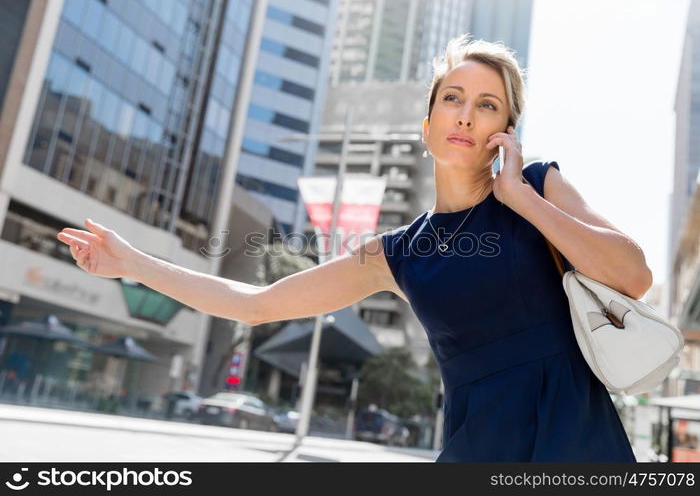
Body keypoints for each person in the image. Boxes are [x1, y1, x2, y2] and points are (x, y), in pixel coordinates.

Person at [55, 33, 652, 462]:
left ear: (504, 132)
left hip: (580, 442)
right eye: (453, 98)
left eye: (487, 104)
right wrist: (131, 263)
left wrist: (520, 198)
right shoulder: (397, 253)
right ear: (425, 127)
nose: (466, 115)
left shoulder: (538, 187)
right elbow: (256, 303)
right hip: (478, 448)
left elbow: (634, 275)